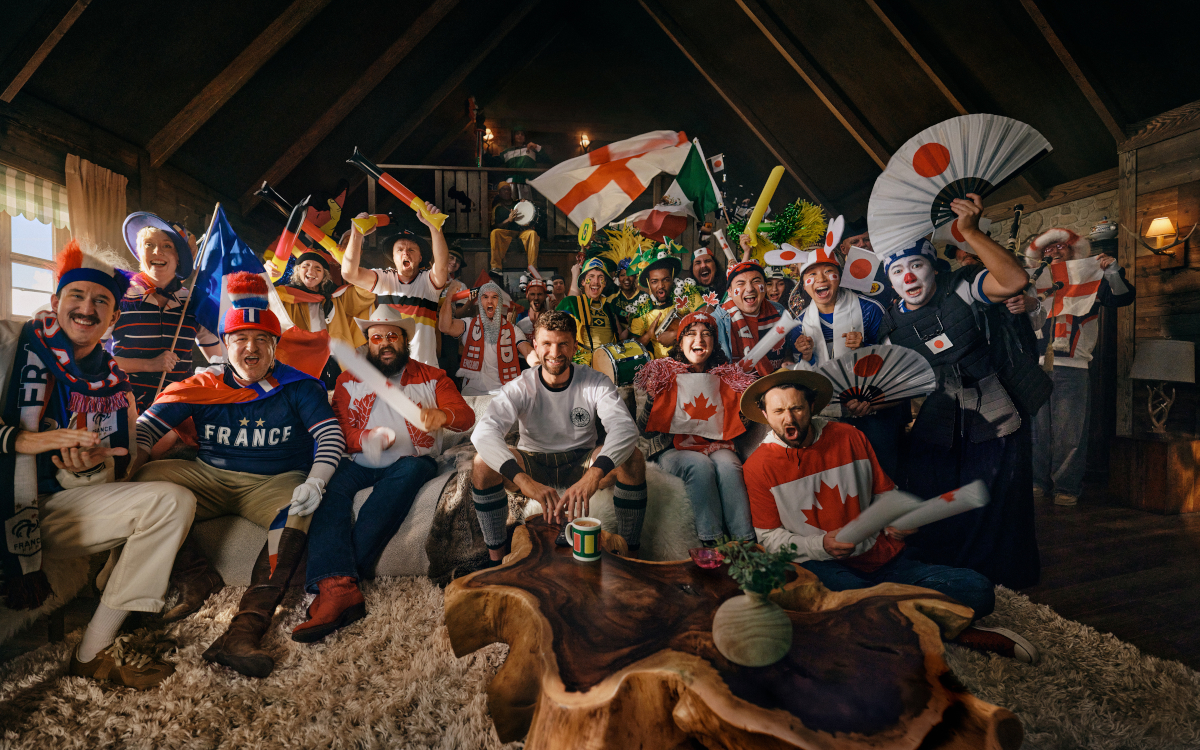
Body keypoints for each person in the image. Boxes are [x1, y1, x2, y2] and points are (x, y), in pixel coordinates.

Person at [740, 369, 1038, 662]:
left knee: (978, 589)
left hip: (881, 558)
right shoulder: (757, 466)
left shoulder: (849, 436)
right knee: (850, 598)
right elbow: (770, 540)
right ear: (765, 415)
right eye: (778, 411)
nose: (789, 419)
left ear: (811, 407)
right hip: (823, 567)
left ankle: (884, 625)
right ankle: (952, 629)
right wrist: (822, 545)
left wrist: (899, 518)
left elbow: (884, 492)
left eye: (796, 408)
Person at [131, 271, 345, 678]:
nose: (251, 347)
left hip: (275, 479)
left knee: (299, 513)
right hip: (210, 475)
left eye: (262, 339)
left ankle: (244, 629)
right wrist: (127, 465)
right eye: (241, 339)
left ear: (275, 347)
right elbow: (146, 428)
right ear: (225, 345)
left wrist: (315, 481)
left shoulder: (300, 385)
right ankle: (197, 576)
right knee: (143, 481)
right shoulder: (202, 382)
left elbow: (329, 434)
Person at [2, 240, 196, 689]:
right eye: (77, 295)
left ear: (113, 318)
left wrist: (87, 468)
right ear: (56, 303)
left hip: (52, 510)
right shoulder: (10, 345)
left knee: (172, 502)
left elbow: (114, 474)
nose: (87, 307)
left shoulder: (116, 387)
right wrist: (27, 440)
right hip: (5, 499)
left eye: (101, 301)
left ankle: (91, 652)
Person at [877, 194, 1041, 589]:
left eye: (916, 265)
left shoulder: (964, 286)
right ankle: (941, 568)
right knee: (926, 481)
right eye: (898, 271)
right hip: (941, 408)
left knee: (991, 491)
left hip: (995, 404)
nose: (909, 278)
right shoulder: (892, 320)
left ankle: (995, 578)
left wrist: (970, 231)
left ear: (933, 267)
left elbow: (1015, 281)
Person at [294, 306, 475, 642]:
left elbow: (465, 417)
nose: (385, 343)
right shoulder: (349, 380)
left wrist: (442, 414)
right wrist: (364, 438)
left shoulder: (433, 376)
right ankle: (339, 586)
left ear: (405, 341)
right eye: (377, 337)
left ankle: (336, 586)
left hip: (412, 460)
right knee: (328, 492)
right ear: (368, 343)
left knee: (408, 472)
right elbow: (340, 429)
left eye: (393, 336)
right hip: (360, 460)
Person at [470, 311, 646, 561]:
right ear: (536, 347)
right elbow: (484, 432)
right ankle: (496, 560)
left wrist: (594, 475)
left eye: (563, 343)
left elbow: (625, 429)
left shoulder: (595, 381)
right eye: (547, 344)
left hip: (583, 461)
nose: (555, 352)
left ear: (575, 346)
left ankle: (632, 557)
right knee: (481, 463)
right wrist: (524, 481)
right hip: (533, 462)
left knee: (634, 458)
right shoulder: (520, 386)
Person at [1023, 228, 1134, 506]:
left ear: (1074, 250)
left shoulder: (1090, 276)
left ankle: (1067, 487)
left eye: (1061, 246)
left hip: (1073, 365)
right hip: (1035, 364)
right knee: (1037, 430)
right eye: (1048, 248)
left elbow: (1121, 298)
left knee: (1069, 432)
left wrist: (1111, 271)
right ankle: (1037, 481)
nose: (1055, 251)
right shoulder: (1031, 281)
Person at [635, 310, 756, 544]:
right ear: (680, 342)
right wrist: (653, 399)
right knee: (700, 466)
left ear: (714, 342)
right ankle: (711, 543)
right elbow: (645, 431)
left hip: (716, 444)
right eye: (691, 334)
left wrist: (746, 405)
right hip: (674, 450)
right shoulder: (665, 374)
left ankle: (745, 543)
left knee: (730, 466)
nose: (699, 340)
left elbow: (741, 427)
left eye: (706, 334)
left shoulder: (726, 376)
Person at [784, 242, 904, 478]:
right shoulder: (798, 325)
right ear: (803, 283)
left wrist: (865, 348)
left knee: (882, 474)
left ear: (840, 275)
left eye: (828, 271)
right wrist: (805, 357)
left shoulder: (871, 310)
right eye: (812, 274)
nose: (821, 279)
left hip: (873, 410)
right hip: (827, 414)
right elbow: (802, 376)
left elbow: (894, 362)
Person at [111, 212, 220, 412]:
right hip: (123, 404)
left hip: (177, 408)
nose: (157, 251)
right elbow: (93, 359)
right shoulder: (117, 295)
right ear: (139, 252)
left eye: (167, 246)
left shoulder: (194, 301)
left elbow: (220, 360)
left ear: (179, 258)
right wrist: (149, 364)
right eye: (149, 244)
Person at [341, 203, 450, 367]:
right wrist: (356, 235)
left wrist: (435, 228)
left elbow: (441, 266)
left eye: (411, 250)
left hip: (424, 370)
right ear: (393, 257)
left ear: (420, 258)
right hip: (390, 371)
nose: (405, 253)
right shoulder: (385, 278)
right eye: (399, 250)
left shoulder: (427, 281)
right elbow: (349, 273)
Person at [275, 242, 375, 388]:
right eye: (305, 266)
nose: (311, 271)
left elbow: (366, 291)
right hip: (301, 359)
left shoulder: (337, 297)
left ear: (325, 275)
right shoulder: (283, 296)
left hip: (335, 358)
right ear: (297, 271)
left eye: (318, 268)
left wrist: (347, 263)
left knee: (338, 398)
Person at [439, 281, 534, 396]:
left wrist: (539, 366)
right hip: (472, 393)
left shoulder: (513, 330)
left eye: (494, 297)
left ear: (500, 302)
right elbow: (444, 327)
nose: (490, 301)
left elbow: (528, 352)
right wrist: (449, 297)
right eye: (485, 297)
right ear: (480, 302)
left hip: (503, 393)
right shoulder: (469, 324)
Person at [713, 239, 788, 373]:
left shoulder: (779, 311)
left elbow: (788, 349)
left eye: (756, 281)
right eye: (740, 283)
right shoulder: (718, 320)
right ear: (729, 291)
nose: (749, 289)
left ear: (765, 287)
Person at [627, 243, 704, 359]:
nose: (660, 286)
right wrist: (648, 335)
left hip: (693, 365)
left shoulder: (688, 296)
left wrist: (676, 334)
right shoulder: (642, 312)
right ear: (648, 284)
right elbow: (631, 350)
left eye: (666, 280)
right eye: (654, 282)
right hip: (662, 371)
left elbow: (712, 321)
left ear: (672, 279)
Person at [556, 256, 627, 366]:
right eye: (591, 276)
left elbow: (619, 337)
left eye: (600, 277)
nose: (596, 281)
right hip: (581, 368)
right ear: (583, 282)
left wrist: (635, 325)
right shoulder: (570, 303)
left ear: (604, 283)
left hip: (608, 367)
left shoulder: (608, 306)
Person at [488, 182, 540, 272]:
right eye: (504, 190)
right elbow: (494, 226)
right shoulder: (497, 208)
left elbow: (528, 213)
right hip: (506, 233)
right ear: (499, 193)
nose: (507, 191)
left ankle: (532, 268)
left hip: (521, 232)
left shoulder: (518, 203)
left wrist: (525, 204)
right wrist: (508, 220)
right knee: (495, 232)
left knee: (533, 234)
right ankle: (496, 267)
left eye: (508, 189)